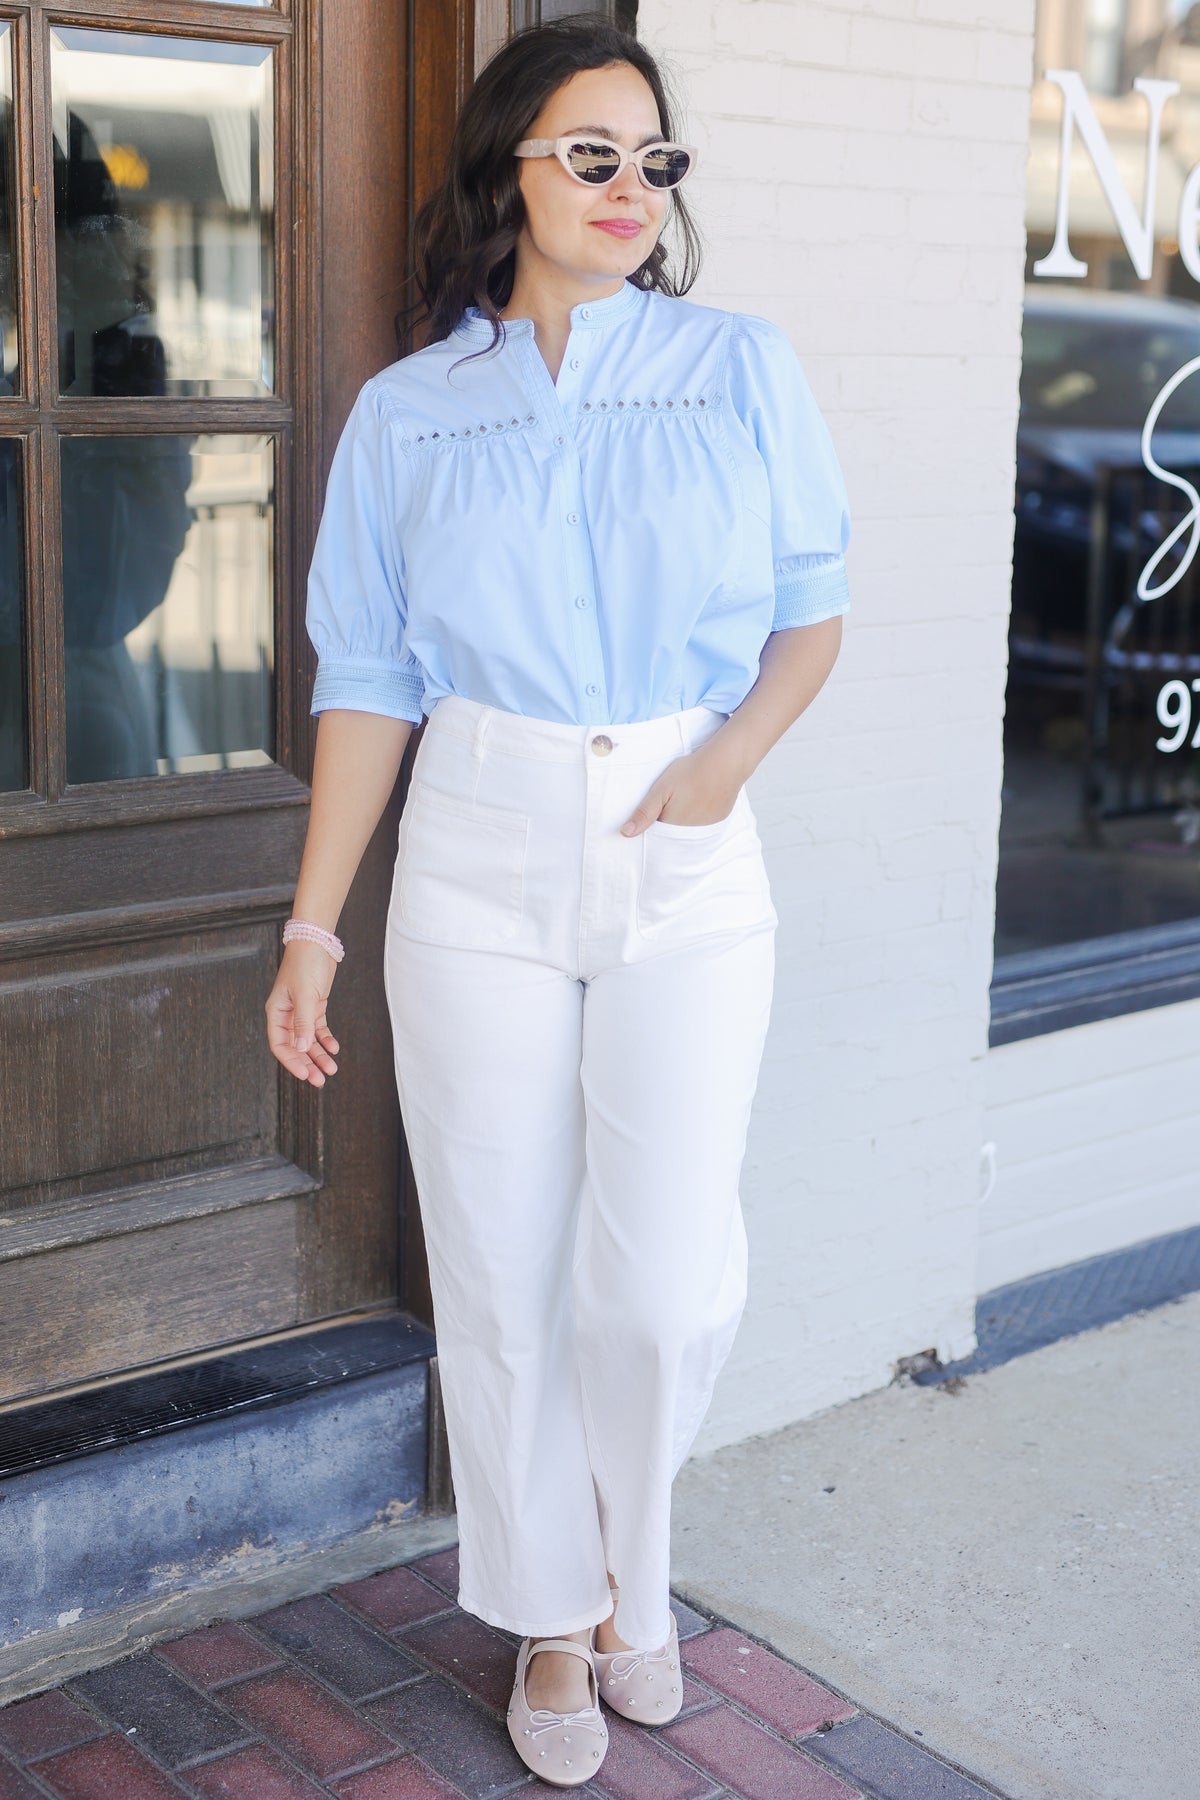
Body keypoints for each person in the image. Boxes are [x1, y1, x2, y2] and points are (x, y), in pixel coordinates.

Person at [264, 16, 850, 1788]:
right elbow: (366, 681)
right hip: (480, 833)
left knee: (662, 1280)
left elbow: (811, 615)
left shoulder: (738, 366)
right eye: (589, 154)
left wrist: (727, 764)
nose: (625, 190)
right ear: (509, 166)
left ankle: (636, 1574)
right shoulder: (409, 410)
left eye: (650, 161)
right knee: (503, 1264)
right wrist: (312, 928)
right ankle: (547, 1618)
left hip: (683, 821)